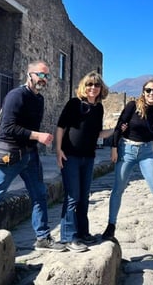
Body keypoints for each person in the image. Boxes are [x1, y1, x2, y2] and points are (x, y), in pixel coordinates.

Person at [0, 60, 63, 256]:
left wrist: (34, 140)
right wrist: (38, 136)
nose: (43, 79)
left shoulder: (39, 99)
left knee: (39, 194)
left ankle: (43, 237)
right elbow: (9, 128)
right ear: (29, 74)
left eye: (47, 76)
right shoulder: (16, 96)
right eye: (40, 74)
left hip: (30, 155)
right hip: (9, 155)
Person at [102, 79, 153, 241]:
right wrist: (114, 148)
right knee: (118, 189)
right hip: (127, 150)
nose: (151, 93)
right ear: (143, 92)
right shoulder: (133, 106)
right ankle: (111, 226)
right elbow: (119, 126)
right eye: (148, 90)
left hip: (147, 152)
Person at [55, 72, 116, 252]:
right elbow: (61, 126)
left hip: (88, 157)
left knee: (84, 196)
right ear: (84, 86)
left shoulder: (99, 108)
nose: (92, 88)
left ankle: (83, 233)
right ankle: (68, 237)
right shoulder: (74, 104)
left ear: (100, 89)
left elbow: (97, 134)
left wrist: (115, 129)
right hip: (70, 156)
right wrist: (58, 150)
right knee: (72, 196)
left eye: (96, 85)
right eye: (89, 85)